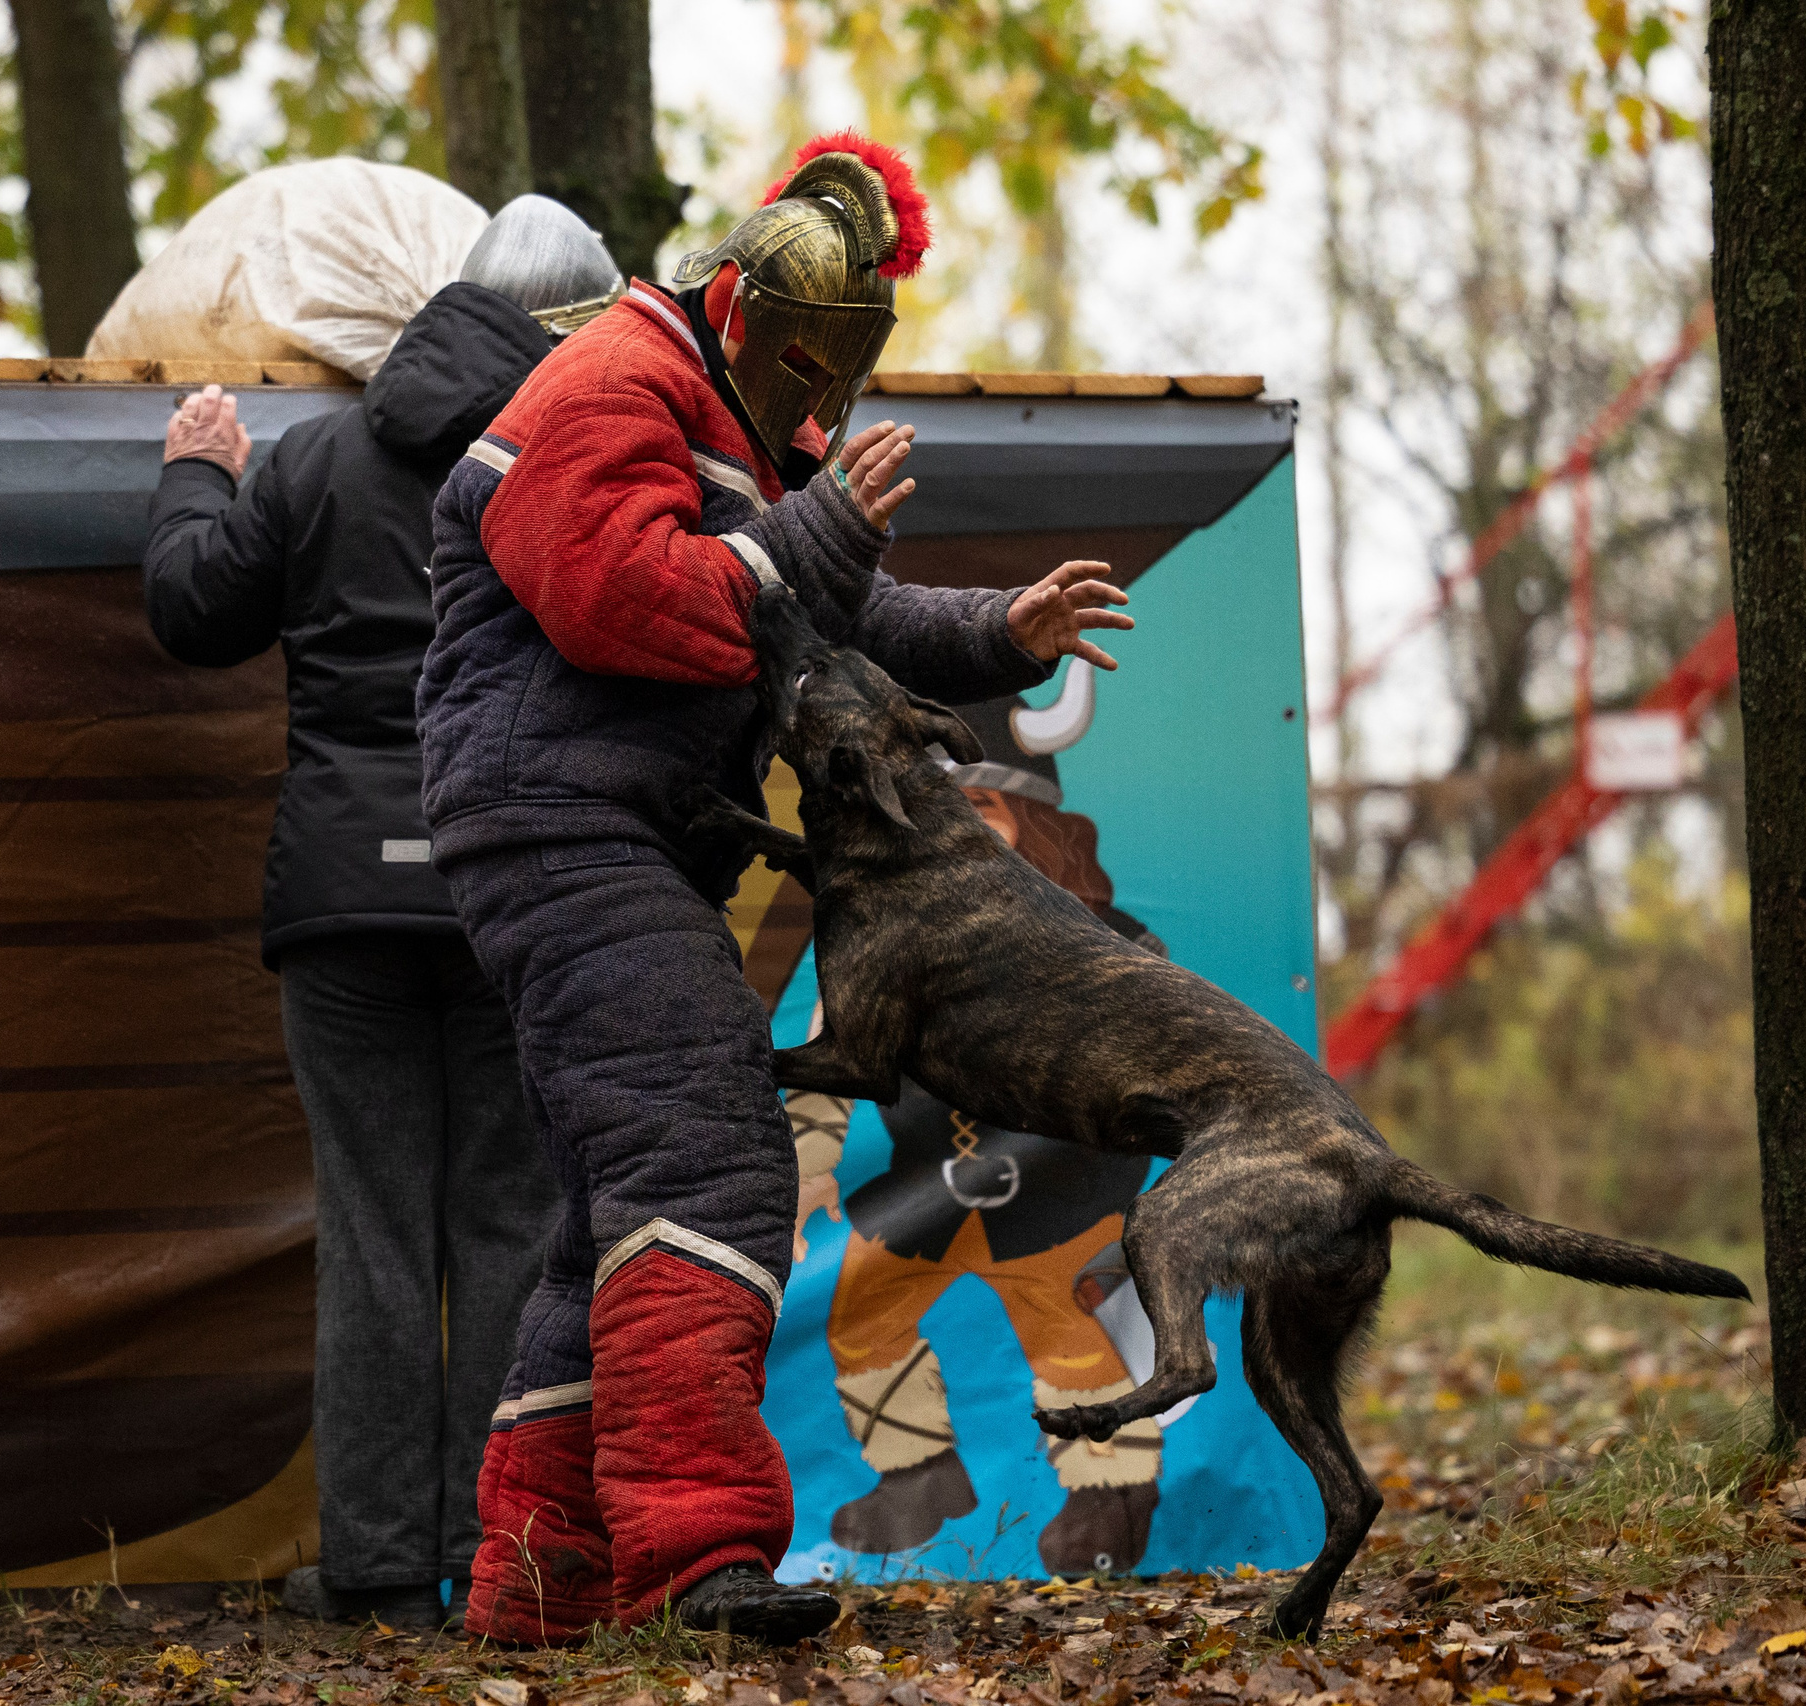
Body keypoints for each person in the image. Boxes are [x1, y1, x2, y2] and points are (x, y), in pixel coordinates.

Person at [414, 132, 1143, 1644]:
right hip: (560, 833)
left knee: (610, 1219)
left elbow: (843, 608)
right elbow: (618, 596)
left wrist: (1006, 625)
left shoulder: (731, 411)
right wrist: (808, 533)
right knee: (708, 1162)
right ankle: (699, 1565)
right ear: (751, 318)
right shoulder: (612, 380)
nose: (822, 411)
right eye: (811, 374)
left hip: (607, 833)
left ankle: (540, 1587)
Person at [141, 196, 626, 1630]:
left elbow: (191, 611)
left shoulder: (318, 457)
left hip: (344, 900)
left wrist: (193, 477)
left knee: (368, 1229)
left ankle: (368, 1565)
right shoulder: (564, 464)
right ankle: (502, 1563)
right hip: (506, 889)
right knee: (506, 1226)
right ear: (564, 331)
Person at [788, 692, 1174, 1581]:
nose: (960, 834)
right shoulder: (874, 945)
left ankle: (1110, 1495)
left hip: (1061, 1207)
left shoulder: (1113, 945)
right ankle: (920, 1475)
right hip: (924, 1203)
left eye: (983, 811)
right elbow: (823, 1065)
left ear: (1034, 824)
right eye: (939, 815)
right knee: (858, 1324)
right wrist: (809, 1170)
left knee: (1077, 1349)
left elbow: (1174, 1061)